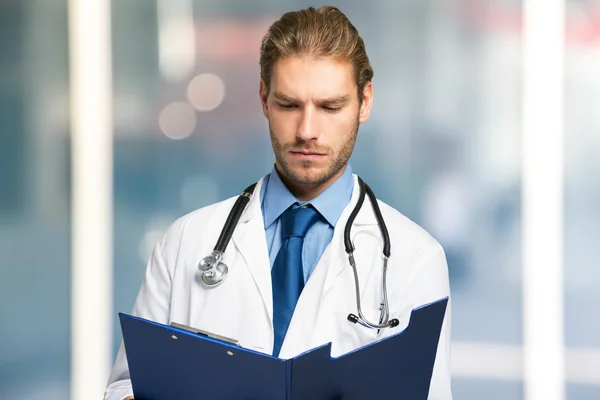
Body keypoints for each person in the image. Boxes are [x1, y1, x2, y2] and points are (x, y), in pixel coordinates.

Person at [104, 5, 452, 400]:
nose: (307, 131)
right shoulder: (186, 242)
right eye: (289, 105)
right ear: (264, 99)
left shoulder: (415, 259)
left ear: (365, 102)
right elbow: (124, 386)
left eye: (330, 107)